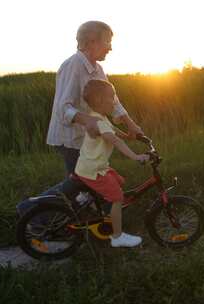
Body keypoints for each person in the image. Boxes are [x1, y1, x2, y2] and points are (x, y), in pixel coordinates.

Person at [16, 20, 143, 215]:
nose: (110, 47)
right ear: (92, 41)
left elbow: (112, 100)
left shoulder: (97, 69)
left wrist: (130, 124)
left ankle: (83, 219)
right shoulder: (73, 65)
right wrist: (87, 120)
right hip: (69, 138)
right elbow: (62, 107)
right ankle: (31, 213)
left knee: (85, 182)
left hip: (83, 138)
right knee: (80, 182)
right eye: (107, 41)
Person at [76, 79, 148, 247]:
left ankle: (91, 203)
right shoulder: (99, 122)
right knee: (117, 197)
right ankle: (117, 237)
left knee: (119, 181)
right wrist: (136, 156)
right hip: (93, 170)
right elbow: (114, 140)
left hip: (93, 166)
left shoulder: (100, 118)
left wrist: (129, 135)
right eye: (112, 97)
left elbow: (114, 132)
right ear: (101, 100)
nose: (115, 101)